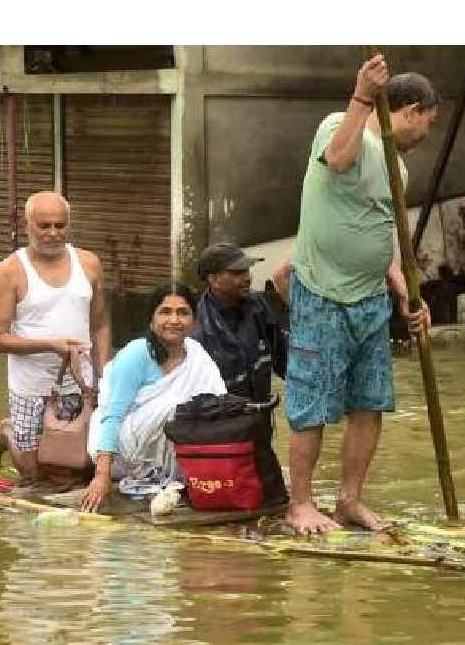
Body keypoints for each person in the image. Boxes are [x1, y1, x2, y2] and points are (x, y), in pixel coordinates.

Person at [281, 54, 436, 535]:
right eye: (426, 124)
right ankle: (300, 504)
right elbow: (338, 159)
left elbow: (383, 238)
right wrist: (362, 94)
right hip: (322, 291)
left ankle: (349, 500)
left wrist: (407, 292)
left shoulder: (399, 170)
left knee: (370, 403)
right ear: (409, 110)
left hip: (370, 298)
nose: (426, 135)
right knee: (312, 404)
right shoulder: (338, 125)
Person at [0, 190, 110, 487]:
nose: (53, 233)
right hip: (31, 385)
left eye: (60, 225)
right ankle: (7, 432)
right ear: (28, 226)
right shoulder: (9, 271)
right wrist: (50, 344)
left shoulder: (89, 264)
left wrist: (104, 374)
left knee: (76, 467)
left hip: (79, 379)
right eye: (44, 226)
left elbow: (101, 323)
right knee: (34, 477)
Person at [80, 281, 226, 513]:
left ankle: (177, 475)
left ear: (195, 321)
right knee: (174, 406)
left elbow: (219, 406)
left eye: (183, 313)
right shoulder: (137, 354)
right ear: (152, 319)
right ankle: (148, 478)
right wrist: (101, 476)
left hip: (174, 452)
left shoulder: (198, 356)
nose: (174, 320)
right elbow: (112, 415)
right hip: (123, 451)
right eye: (165, 312)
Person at [191, 242, 287, 401]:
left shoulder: (258, 306)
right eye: (238, 273)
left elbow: (283, 357)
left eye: (247, 270)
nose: (248, 278)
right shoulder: (199, 331)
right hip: (222, 420)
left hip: (260, 414)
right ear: (214, 280)